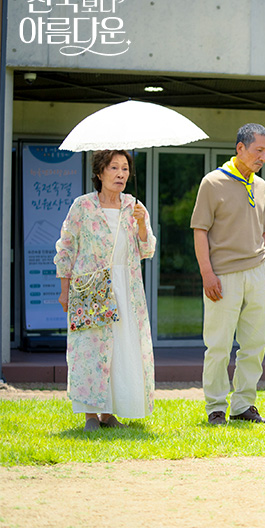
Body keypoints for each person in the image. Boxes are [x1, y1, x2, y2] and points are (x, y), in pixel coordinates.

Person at [55, 150, 156, 431]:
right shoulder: (83, 206)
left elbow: (147, 249)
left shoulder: (134, 207)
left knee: (122, 350)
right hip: (91, 286)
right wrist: (64, 289)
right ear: (100, 173)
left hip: (127, 288)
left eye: (125, 168)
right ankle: (90, 415)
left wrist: (141, 224)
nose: (121, 174)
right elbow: (66, 247)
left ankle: (110, 414)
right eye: (114, 167)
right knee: (90, 350)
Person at [191, 123, 265, 426]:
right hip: (222, 276)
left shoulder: (262, 186)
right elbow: (199, 230)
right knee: (218, 345)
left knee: (254, 345)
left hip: (257, 273)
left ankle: (243, 405)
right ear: (240, 148)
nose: (263, 157)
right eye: (258, 151)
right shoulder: (212, 183)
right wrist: (207, 274)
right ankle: (215, 407)